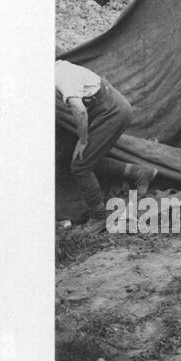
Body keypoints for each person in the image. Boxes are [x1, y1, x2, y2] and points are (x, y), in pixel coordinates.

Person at [55, 60, 156, 233]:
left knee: (80, 166)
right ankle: (139, 172)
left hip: (112, 112)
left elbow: (79, 110)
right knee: (84, 159)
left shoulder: (61, 76)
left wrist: (84, 140)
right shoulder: (58, 68)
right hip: (106, 109)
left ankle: (99, 217)